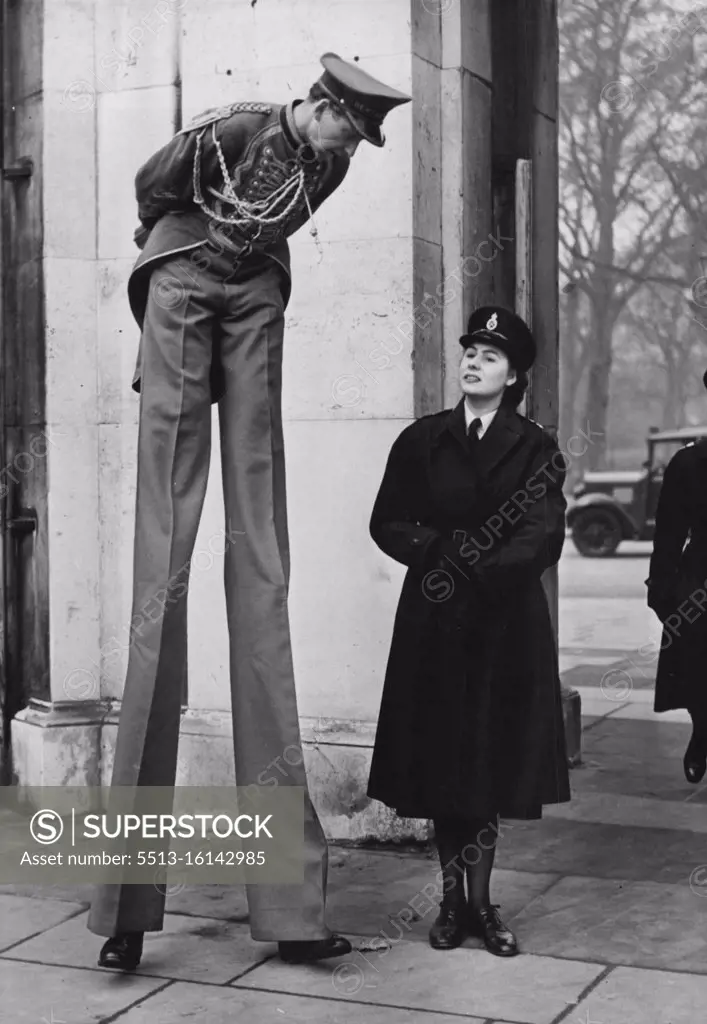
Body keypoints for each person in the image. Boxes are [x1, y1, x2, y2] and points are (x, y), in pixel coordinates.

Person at [88, 52, 411, 971]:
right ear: (311, 105)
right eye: (339, 125)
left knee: (260, 564)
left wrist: (247, 269)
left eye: (355, 136)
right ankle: (124, 902)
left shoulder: (332, 164)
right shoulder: (231, 127)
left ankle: (293, 911)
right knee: (165, 566)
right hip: (184, 280)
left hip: (257, 295)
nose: (344, 143)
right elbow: (154, 191)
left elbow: (286, 217)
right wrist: (176, 263)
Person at [367, 306, 571, 956]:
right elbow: (387, 521)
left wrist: (477, 567)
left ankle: (480, 904)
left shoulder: (536, 446)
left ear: (513, 376)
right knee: (441, 765)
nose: (472, 361)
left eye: (489, 354)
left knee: (486, 765)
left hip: (502, 627)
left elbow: (542, 535)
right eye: (469, 350)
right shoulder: (421, 440)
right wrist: (435, 552)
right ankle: (451, 905)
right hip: (433, 623)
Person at [646, 369, 707, 785]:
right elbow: (667, 533)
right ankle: (702, 732)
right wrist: (662, 593)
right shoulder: (689, 463)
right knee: (697, 669)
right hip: (699, 581)